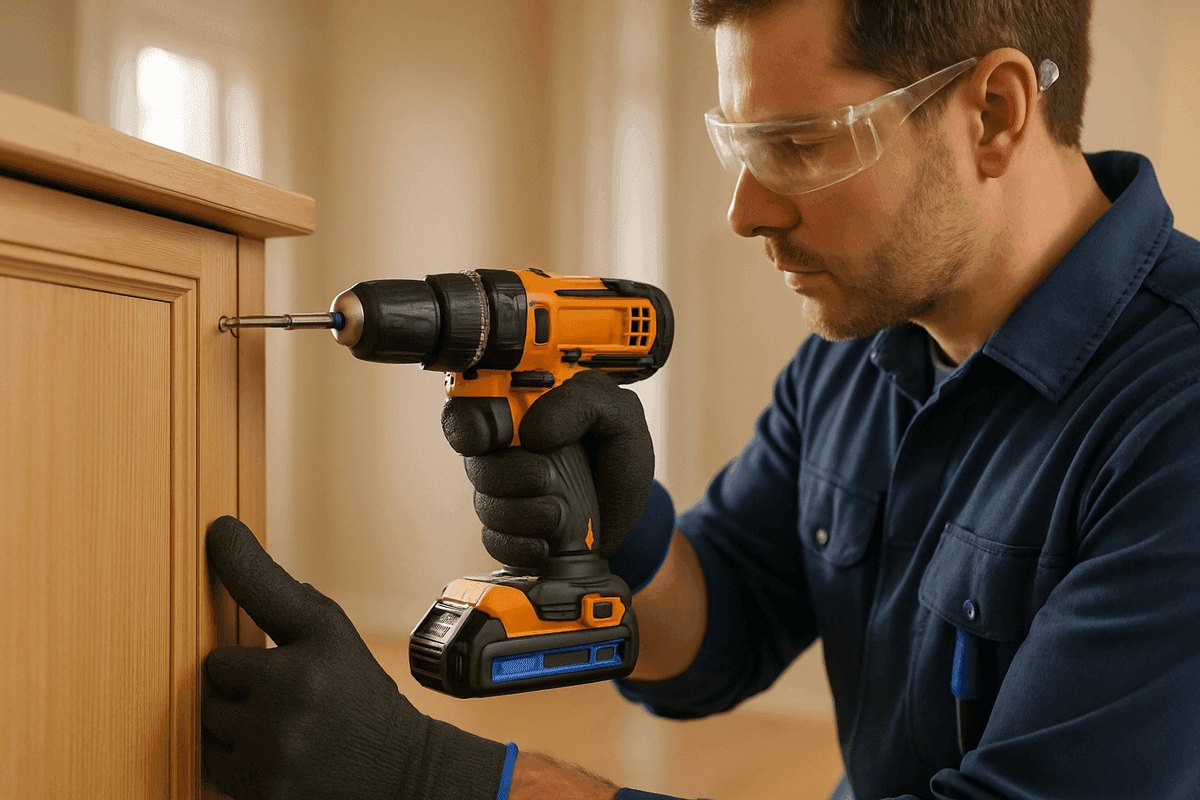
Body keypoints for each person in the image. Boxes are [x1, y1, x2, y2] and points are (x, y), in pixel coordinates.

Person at [201, 0, 1200, 797]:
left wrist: (437, 778)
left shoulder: (1175, 417)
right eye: (743, 144)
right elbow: (717, 634)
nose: (744, 210)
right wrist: (624, 529)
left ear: (994, 113)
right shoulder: (857, 358)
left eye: (800, 143)